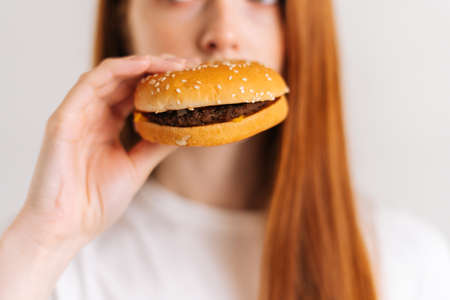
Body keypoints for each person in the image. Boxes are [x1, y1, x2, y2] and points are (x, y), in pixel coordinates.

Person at [1, 0, 449, 299]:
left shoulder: (409, 262)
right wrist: (46, 237)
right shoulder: (59, 265)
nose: (222, 33)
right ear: (124, 19)